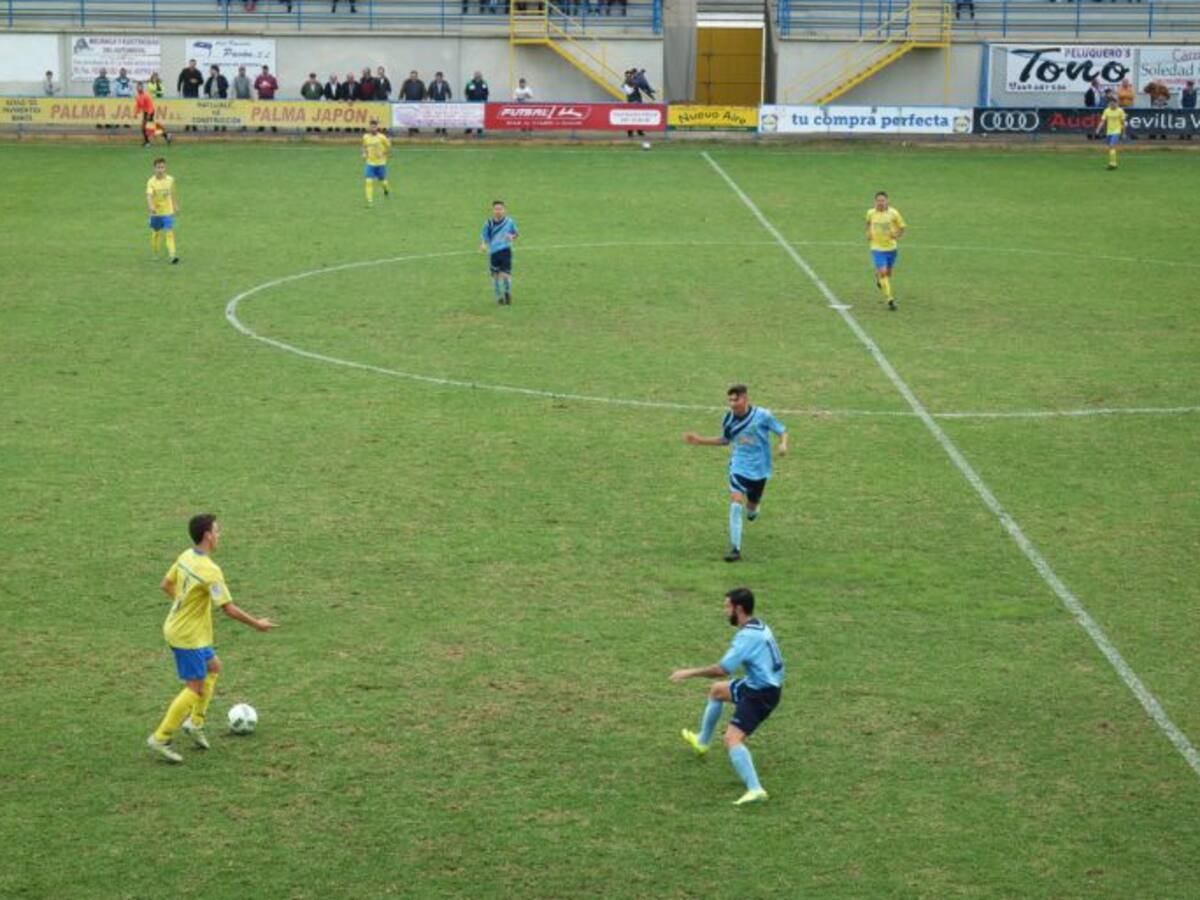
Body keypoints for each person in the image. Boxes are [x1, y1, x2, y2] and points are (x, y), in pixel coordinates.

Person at [146, 515, 276, 763]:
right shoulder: (211, 571)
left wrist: (185, 607)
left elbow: (166, 584)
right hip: (187, 637)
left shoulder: (186, 556)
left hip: (184, 629)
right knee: (194, 686)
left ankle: (195, 723)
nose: (220, 535)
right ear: (207, 535)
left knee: (214, 667)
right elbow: (228, 608)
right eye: (217, 530)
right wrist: (257, 624)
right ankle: (161, 737)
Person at [670, 587, 784, 806]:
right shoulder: (758, 625)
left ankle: (755, 789)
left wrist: (689, 672)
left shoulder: (747, 637)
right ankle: (703, 741)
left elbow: (722, 669)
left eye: (727, 607)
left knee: (732, 739)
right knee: (717, 691)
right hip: (760, 684)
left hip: (761, 693)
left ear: (738, 609)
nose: (725, 611)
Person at [683, 385, 788, 562]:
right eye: (730, 400)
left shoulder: (762, 415)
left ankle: (753, 508)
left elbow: (781, 430)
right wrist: (699, 440)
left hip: (760, 469)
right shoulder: (729, 419)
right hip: (739, 466)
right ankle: (735, 549)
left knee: (751, 510)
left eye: (735, 400)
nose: (732, 404)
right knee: (735, 503)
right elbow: (725, 439)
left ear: (745, 398)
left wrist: (783, 444)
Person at [865, 190, 906, 310]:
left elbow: (902, 227)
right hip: (876, 248)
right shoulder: (870, 213)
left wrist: (896, 235)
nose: (880, 203)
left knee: (888, 274)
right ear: (875, 201)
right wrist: (867, 233)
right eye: (878, 200)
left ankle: (878, 278)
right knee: (883, 272)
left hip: (891, 248)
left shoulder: (894, 213)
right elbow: (867, 223)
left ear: (887, 201)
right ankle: (890, 300)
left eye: (882, 200)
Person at [479, 200, 518, 306]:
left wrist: (512, 236)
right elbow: (483, 235)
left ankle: (507, 292)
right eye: (496, 209)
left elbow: (515, 233)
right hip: (493, 253)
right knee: (495, 276)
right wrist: (483, 244)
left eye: (500, 209)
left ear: (504, 210)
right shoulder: (488, 223)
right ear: (492, 210)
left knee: (505, 275)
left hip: (505, 251)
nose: (498, 211)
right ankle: (499, 297)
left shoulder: (509, 222)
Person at [146, 157, 181, 264]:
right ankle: (155, 252)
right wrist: (151, 206)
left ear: (165, 168)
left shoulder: (170, 180)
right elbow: (149, 196)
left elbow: (173, 193)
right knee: (155, 234)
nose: (160, 170)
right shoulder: (151, 182)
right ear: (154, 168)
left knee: (169, 232)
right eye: (158, 167)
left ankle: (172, 255)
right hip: (156, 213)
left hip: (167, 211)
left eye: (162, 167)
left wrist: (175, 205)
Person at [362, 118, 392, 206]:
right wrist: (364, 153)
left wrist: (383, 153)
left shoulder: (382, 137)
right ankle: (369, 201)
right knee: (368, 181)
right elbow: (364, 146)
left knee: (383, 182)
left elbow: (388, 148)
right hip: (370, 163)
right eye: (371, 127)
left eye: (374, 127)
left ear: (377, 127)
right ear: (369, 128)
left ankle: (386, 189)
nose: (373, 129)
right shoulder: (365, 137)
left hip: (381, 163)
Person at [1094, 95, 1127, 170]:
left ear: (1116, 103)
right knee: (1110, 148)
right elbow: (1103, 121)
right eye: (1110, 104)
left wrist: (1124, 133)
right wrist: (1098, 129)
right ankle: (1113, 163)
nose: (1112, 105)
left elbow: (1123, 123)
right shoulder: (1106, 110)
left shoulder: (1120, 111)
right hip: (1109, 131)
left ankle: (1112, 164)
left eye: (1114, 103)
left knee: (1112, 146)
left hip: (1117, 131)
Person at [135, 81, 171, 147]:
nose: (138, 88)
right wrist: (136, 112)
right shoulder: (138, 96)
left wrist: (149, 115)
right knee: (151, 128)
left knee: (144, 127)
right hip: (145, 112)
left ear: (142, 88)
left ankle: (147, 142)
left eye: (140, 87)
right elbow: (138, 106)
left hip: (150, 112)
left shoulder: (146, 96)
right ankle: (166, 135)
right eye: (137, 87)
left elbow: (150, 106)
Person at [464, 70, 489, 136]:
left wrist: (485, 100)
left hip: (481, 103)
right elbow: (466, 92)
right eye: (476, 75)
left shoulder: (484, 83)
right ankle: (469, 130)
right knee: (471, 117)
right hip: (471, 102)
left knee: (480, 117)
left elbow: (486, 92)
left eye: (479, 75)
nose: (478, 76)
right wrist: (468, 101)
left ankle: (479, 130)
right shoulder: (470, 83)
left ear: (481, 76)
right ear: (474, 76)